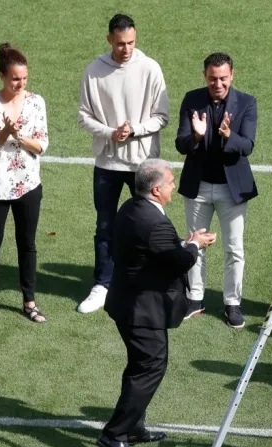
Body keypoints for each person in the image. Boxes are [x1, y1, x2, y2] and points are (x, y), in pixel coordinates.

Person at [97, 159, 216, 447]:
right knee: (150, 367)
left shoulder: (131, 208)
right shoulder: (156, 222)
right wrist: (195, 245)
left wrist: (183, 244)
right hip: (142, 312)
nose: (174, 186)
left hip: (127, 303)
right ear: (156, 188)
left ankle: (133, 425)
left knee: (139, 367)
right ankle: (115, 434)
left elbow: (156, 252)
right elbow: (179, 261)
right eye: (171, 182)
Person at [77, 13, 170, 314]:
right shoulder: (94, 71)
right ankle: (102, 285)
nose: (126, 49)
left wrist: (135, 130)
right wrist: (110, 133)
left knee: (149, 226)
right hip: (107, 163)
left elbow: (161, 116)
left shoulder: (150, 68)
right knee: (105, 227)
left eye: (130, 42)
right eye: (120, 44)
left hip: (144, 165)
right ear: (109, 40)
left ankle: (147, 283)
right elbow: (84, 116)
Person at [175, 52, 258, 328]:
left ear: (232, 75)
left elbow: (247, 145)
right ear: (205, 76)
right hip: (197, 187)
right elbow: (180, 142)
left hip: (231, 191)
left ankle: (232, 303)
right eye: (212, 78)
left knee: (234, 249)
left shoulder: (246, 103)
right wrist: (197, 136)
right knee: (195, 243)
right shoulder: (192, 99)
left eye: (223, 78)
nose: (218, 84)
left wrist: (227, 137)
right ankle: (195, 298)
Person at [0, 43, 49, 324]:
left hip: (28, 185)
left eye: (24, 78)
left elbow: (41, 145)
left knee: (27, 244)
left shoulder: (36, 102)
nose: (20, 83)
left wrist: (17, 136)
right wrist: (5, 131)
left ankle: (29, 302)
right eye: (15, 78)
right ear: (2, 76)